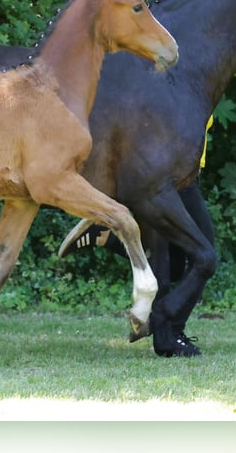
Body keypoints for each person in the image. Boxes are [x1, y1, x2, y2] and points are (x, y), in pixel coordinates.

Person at [59, 116, 215, 354]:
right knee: (202, 256)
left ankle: (108, 236)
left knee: (174, 266)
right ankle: (170, 332)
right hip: (170, 178)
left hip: (177, 173)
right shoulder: (172, 84)